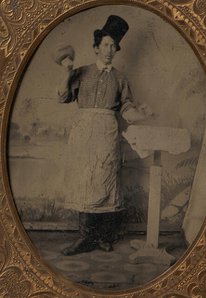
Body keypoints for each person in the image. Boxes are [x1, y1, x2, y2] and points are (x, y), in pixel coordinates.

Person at [56, 15, 149, 255]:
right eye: (105, 45)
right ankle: (85, 238)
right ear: (96, 48)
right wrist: (67, 73)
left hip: (107, 132)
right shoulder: (82, 72)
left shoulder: (120, 79)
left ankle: (103, 237)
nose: (109, 50)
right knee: (84, 181)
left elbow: (127, 109)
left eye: (113, 47)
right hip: (84, 132)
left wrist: (141, 114)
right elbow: (63, 97)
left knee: (105, 180)